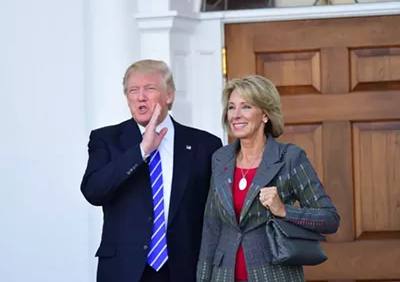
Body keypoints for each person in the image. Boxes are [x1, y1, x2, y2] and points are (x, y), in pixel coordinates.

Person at [81, 59, 222, 282]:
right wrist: (141, 150)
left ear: (169, 95)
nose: (140, 97)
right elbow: (93, 191)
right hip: (124, 270)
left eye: (150, 88)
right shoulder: (106, 140)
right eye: (133, 90)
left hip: (185, 269)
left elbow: (216, 212)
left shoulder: (205, 145)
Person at [196, 75, 340, 282]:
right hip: (224, 275)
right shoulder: (220, 158)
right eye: (231, 107)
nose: (235, 115)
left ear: (265, 114)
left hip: (273, 274)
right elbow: (212, 227)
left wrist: (283, 210)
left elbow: (330, 219)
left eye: (245, 107)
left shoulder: (290, 157)